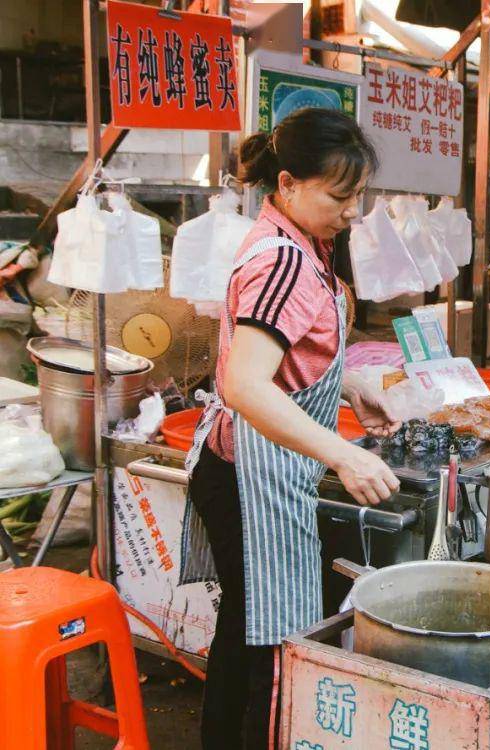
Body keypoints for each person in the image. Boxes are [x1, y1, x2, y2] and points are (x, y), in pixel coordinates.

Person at [179, 107, 401, 749]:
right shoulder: (282, 262)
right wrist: (343, 456)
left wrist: (349, 382)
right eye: (340, 196)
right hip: (248, 477)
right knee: (263, 643)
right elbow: (244, 385)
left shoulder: (308, 244)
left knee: (252, 631)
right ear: (287, 184)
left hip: (268, 470)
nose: (352, 210)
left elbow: (289, 359)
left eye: (357, 194)